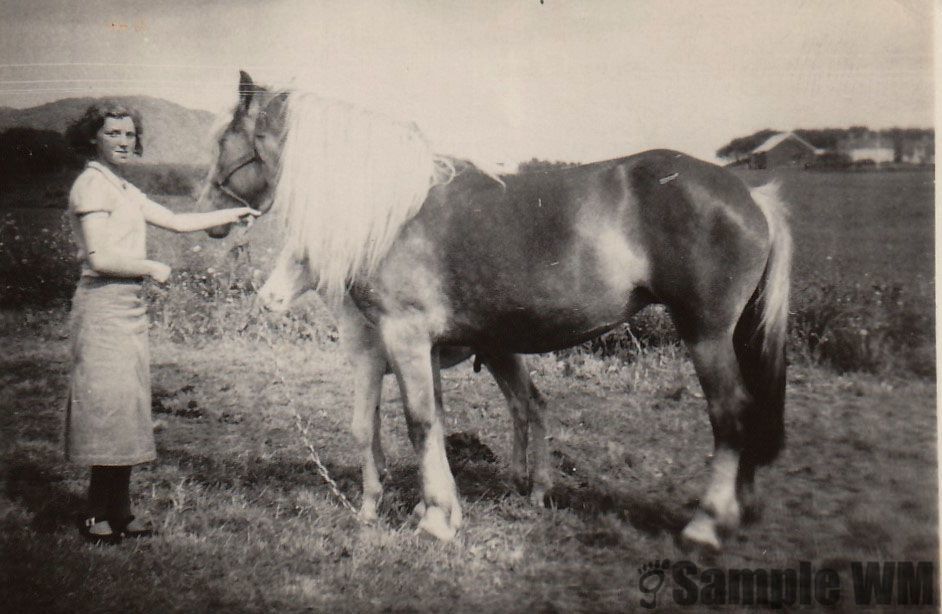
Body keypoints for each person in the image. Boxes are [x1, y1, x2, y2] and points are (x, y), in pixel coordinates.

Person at [63, 102, 257, 544]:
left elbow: (176, 220)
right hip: (102, 307)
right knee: (108, 412)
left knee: (126, 412)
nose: (123, 141)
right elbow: (99, 258)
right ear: (93, 137)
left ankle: (121, 510)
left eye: (129, 134)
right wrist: (152, 268)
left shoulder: (122, 188)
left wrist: (233, 213)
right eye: (113, 133)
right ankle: (96, 516)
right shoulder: (90, 187)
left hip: (127, 308)